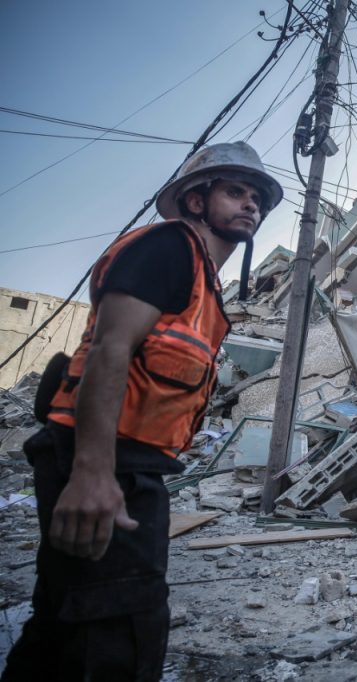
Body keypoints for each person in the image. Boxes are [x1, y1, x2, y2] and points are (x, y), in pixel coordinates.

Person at [2, 142, 282, 681]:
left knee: (65, 623)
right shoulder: (169, 247)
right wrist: (92, 475)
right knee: (123, 626)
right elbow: (110, 351)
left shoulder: (203, 279)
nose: (250, 204)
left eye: (256, 197)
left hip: (126, 461)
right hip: (104, 462)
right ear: (196, 202)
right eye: (234, 191)